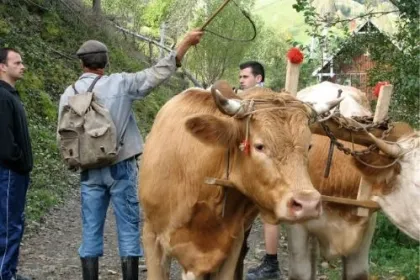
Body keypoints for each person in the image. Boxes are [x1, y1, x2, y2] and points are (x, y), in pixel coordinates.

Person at [58, 30, 203, 280]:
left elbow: (62, 135)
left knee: (90, 230)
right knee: (127, 229)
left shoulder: (68, 94)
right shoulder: (121, 83)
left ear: (81, 63)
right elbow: (158, 72)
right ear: (106, 63)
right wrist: (184, 45)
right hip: (121, 166)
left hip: (88, 170)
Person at [238, 61, 282, 280]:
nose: (241, 80)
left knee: (268, 212)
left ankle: (271, 264)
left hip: (264, 166)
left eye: (245, 77)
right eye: (240, 77)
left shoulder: (266, 101)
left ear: (258, 78)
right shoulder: (247, 99)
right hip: (248, 166)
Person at [0, 48, 33, 280]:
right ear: (2, 66)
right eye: (17, 62)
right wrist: (19, 161)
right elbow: (4, 140)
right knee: (9, 225)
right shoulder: (2, 97)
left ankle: (9, 270)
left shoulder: (10, 94)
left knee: (13, 222)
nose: (22, 66)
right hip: (9, 172)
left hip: (14, 172)